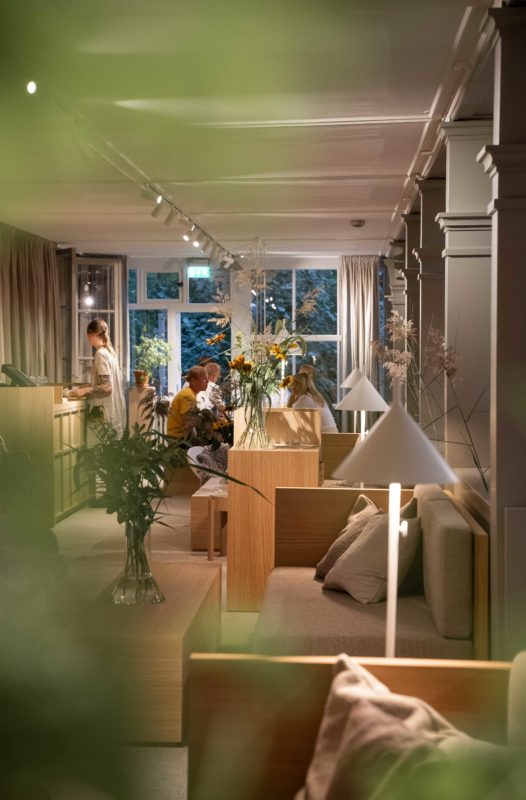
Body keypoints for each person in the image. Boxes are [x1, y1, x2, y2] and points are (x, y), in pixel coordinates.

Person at [72, 318, 126, 438]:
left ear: (92, 334)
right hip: (116, 411)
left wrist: (85, 391)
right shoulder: (111, 353)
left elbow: (107, 387)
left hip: (104, 414)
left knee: (100, 448)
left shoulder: (100, 354)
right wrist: (83, 387)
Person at [167, 365, 208, 440]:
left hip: (178, 437)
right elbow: (189, 423)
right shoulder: (187, 396)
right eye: (204, 379)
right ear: (193, 379)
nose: (207, 382)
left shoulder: (189, 393)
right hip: (178, 439)